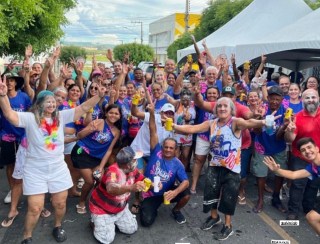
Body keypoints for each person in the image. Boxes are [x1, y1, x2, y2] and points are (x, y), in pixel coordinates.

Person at [0, 75, 105, 244]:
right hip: (35, 169)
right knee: (35, 208)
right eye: (47, 101)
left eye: (53, 101)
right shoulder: (30, 118)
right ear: (39, 104)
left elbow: (84, 107)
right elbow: (10, 115)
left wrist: (98, 96)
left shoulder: (61, 117)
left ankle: (57, 225)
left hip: (57, 168)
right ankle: (27, 236)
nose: (51, 104)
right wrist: (3, 96)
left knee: (60, 204)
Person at [173, 97, 270, 241]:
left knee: (228, 198)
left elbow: (249, 122)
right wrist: (173, 126)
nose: (222, 108)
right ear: (215, 110)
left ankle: (228, 226)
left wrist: (264, 121)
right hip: (215, 166)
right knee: (211, 193)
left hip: (231, 169)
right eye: (219, 106)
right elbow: (192, 128)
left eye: (225, 106)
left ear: (231, 109)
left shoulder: (235, 122)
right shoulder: (211, 123)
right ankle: (214, 217)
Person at [140, 103, 190, 226]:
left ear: (176, 150)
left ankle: (176, 210)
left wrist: (174, 192)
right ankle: (151, 208)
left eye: (171, 148)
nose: (168, 150)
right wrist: (152, 113)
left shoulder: (177, 164)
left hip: (166, 192)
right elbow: (153, 130)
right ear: (162, 148)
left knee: (186, 194)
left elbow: (186, 182)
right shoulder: (156, 151)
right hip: (150, 193)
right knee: (146, 222)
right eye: (166, 147)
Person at [263, 137, 320, 235]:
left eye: (309, 147)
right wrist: (276, 170)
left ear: (317, 148)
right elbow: (293, 175)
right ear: (301, 155)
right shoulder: (313, 167)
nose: (307, 151)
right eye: (303, 150)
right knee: (312, 217)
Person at [89, 146, 146, 244]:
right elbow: (111, 188)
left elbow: (142, 179)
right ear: (127, 164)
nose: (136, 161)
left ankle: (110, 224)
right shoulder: (112, 172)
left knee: (132, 229)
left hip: (120, 207)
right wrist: (131, 188)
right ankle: (94, 222)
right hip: (102, 209)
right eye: (134, 160)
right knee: (106, 239)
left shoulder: (133, 170)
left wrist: (154, 184)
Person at [284, 88, 320, 220]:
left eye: (313, 97)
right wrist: (289, 131)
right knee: (298, 184)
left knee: (314, 185)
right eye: (307, 98)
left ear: (318, 99)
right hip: (300, 158)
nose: (311, 100)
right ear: (302, 100)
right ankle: (293, 211)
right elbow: (289, 139)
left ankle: (308, 209)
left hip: (317, 159)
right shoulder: (297, 117)